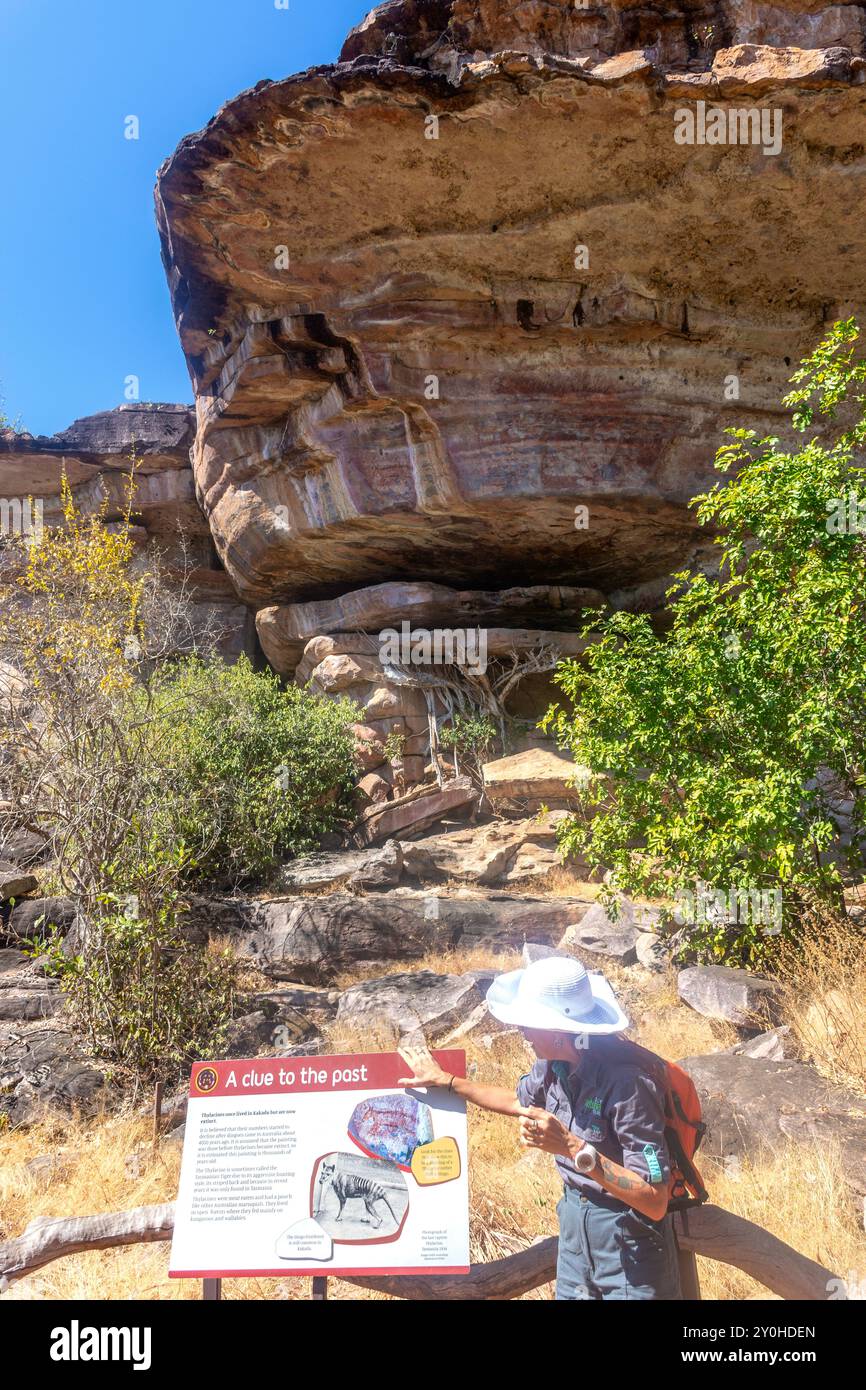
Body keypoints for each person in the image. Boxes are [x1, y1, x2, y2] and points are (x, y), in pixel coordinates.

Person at [397, 954, 682, 1300]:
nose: (522, 1031)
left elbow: (654, 1200)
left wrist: (571, 1147)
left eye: (529, 1022)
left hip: (630, 1249)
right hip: (576, 1240)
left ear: (559, 1030)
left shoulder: (628, 1085)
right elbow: (518, 1103)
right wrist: (449, 1082)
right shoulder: (551, 1067)